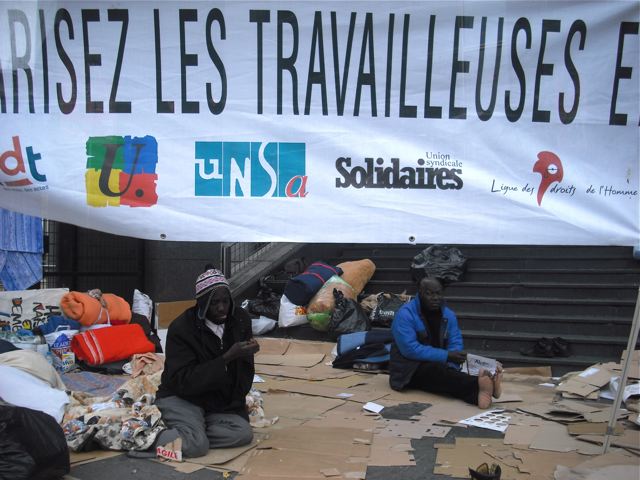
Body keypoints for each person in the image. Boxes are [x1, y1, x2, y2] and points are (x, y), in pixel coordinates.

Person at [153, 267, 260, 458]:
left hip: (216, 402)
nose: (221, 308)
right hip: (183, 397)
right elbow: (183, 380)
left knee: (242, 433)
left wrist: (245, 356)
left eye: (225, 301)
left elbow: (242, 374)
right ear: (202, 303)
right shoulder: (182, 328)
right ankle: (147, 437)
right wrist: (227, 358)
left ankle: (193, 431)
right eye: (214, 303)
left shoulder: (239, 319)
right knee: (196, 447)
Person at [388, 276, 502, 409]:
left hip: (440, 362)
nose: (435, 298)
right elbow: (410, 349)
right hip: (408, 370)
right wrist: (446, 356)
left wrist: (452, 361)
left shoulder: (448, 315)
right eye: (429, 294)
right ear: (420, 293)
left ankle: (484, 387)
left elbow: (455, 342)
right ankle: (479, 387)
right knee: (437, 372)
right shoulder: (405, 314)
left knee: (448, 374)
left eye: (438, 293)